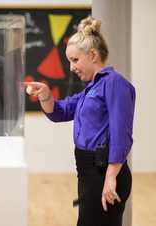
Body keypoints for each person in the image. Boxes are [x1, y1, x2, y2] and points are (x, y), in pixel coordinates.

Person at [25, 16, 135, 226]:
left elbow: (122, 135)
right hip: (88, 173)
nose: (71, 67)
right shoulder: (90, 89)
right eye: (68, 61)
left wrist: (110, 178)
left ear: (93, 55)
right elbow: (60, 111)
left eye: (75, 60)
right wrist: (46, 94)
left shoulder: (115, 83)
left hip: (104, 173)